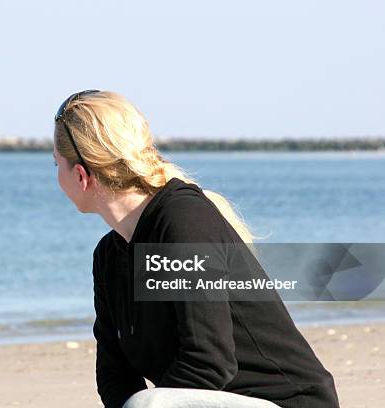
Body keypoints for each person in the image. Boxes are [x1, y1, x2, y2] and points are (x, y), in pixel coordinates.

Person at [52, 90, 340, 408]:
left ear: (81, 175)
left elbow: (209, 361)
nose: (56, 175)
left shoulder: (183, 220)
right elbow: (114, 377)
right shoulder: (108, 257)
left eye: (56, 164)